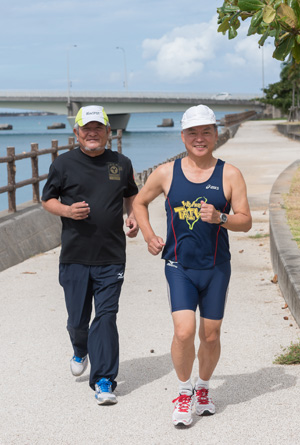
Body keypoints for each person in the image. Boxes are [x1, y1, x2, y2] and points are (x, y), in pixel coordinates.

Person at [133, 104, 252, 426]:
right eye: (192, 133)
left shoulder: (229, 174)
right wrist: (148, 235)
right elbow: (139, 202)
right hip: (178, 266)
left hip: (216, 267)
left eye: (206, 132)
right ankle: (184, 392)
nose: (199, 139)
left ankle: (203, 388)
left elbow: (246, 222)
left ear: (214, 134)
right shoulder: (166, 173)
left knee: (210, 335)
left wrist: (221, 217)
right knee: (184, 332)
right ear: (183, 136)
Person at [42, 105, 139, 405]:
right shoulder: (63, 164)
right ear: (77, 133)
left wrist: (132, 216)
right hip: (74, 256)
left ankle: (105, 380)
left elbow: (131, 194)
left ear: (109, 132)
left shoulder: (121, 163)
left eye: (99, 128)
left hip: (111, 256)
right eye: (87, 128)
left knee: (107, 317)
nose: (92, 133)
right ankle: (79, 347)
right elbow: (47, 200)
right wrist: (68, 211)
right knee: (77, 321)